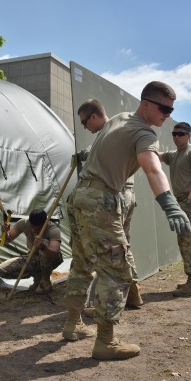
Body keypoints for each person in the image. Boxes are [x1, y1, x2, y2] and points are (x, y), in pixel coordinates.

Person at [63, 81, 191, 360]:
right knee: (117, 270)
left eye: (171, 110)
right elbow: (153, 169)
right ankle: (105, 342)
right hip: (101, 202)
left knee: (82, 262)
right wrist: (171, 206)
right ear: (146, 104)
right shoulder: (145, 134)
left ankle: (72, 323)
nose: (167, 115)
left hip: (79, 197)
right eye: (163, 108)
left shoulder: (120, 119)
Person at [73, 99, 143, 314]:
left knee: (109, 251)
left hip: (115, 195)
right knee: (123, 246)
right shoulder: (117, 129)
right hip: (126, 194)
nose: (85, 127)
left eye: (85, 122)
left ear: (94, 116)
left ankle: (110, 303)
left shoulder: (111, 132)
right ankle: (133, 292)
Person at [159, 122, 191, 297]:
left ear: (188, 135)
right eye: (174, 134)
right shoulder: (174, 155)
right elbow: (155, 157)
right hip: (183, 202)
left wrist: (188, 202)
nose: (176, 137)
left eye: (180, 134)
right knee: (186, 241)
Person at [0, 208, 63, 293]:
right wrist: (4, 233)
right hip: (33, 257)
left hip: (53, 258)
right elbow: (7, 240)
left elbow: (54, 252)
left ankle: (45, 280)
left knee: (45, 243)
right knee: (2, 270)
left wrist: (42, 247)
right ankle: (38, 278)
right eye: (32, 227)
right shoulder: (24, 223)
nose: (34, 230)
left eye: (38, 229)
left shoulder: (53, 230)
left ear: (45, 224)